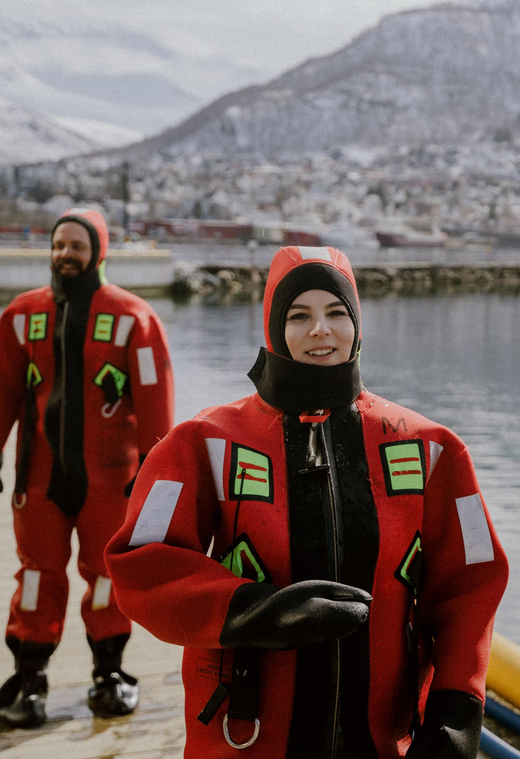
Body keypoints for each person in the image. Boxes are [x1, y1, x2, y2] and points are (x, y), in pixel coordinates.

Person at [105, 245, 508, 758]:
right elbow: (140, 563)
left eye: (336, 313)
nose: (321, 329)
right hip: (245, 735)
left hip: (383, 738)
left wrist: (456, 711)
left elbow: (472, 584)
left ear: (358, 324)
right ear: (273, 327)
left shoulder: (432, 449)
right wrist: (253, 612)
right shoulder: (201, 443)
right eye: (299, 315)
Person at [0, 208, 174, 728]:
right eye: (58, 245)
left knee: (106, 578)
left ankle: (109, 676)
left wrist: (157, 474)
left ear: (98, 251)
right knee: (35, 578)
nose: (65, 255)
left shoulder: (134, 319)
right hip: (38, 480)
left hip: (112, 482)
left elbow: (155, 401)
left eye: (76, 245)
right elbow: (3, 392)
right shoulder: (19, 318)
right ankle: (28, 683)